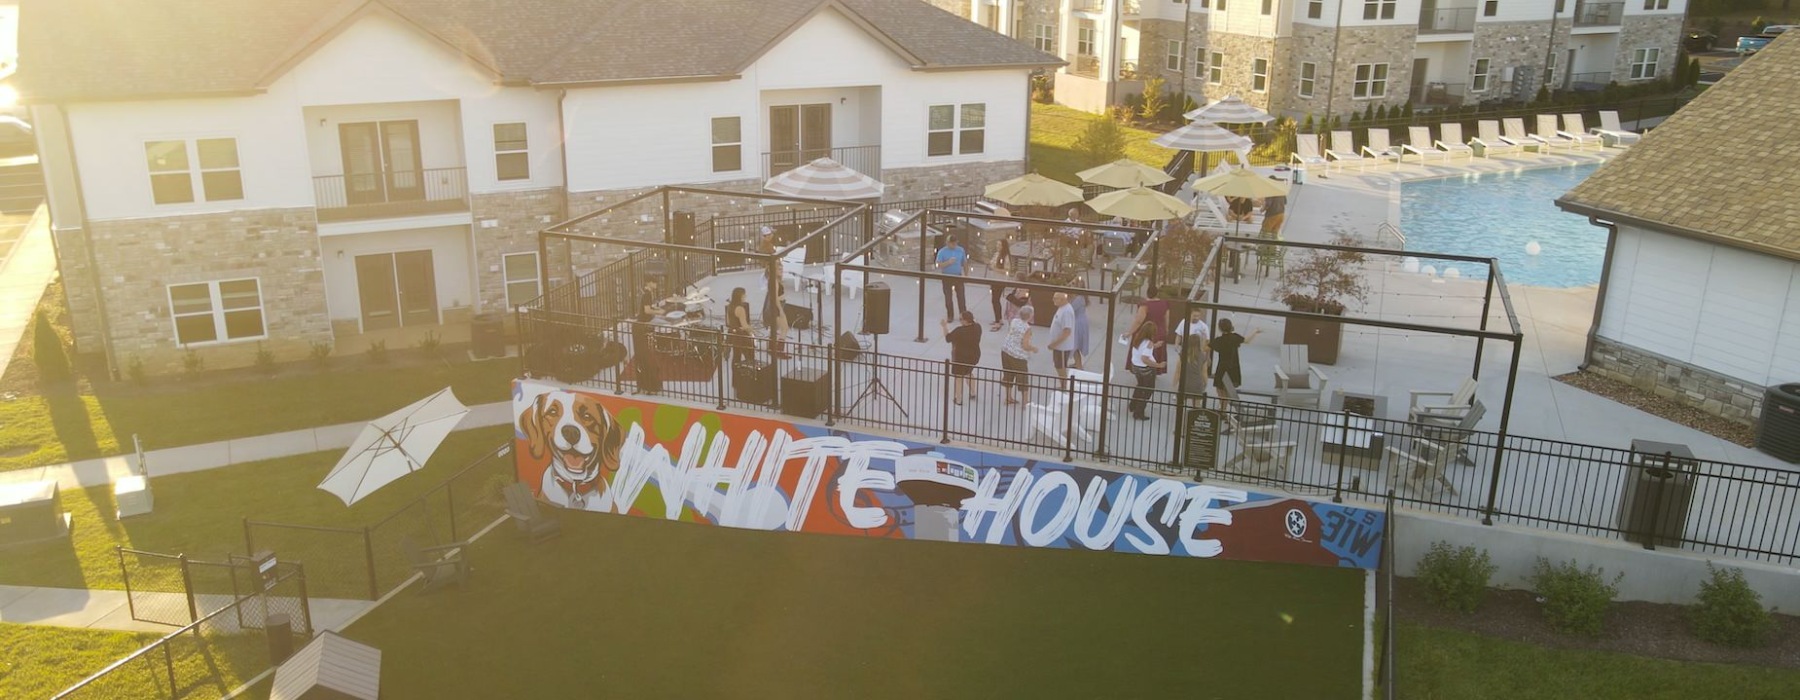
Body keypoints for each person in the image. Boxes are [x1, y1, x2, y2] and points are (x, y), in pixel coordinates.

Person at [1211, 318, 1262, 429]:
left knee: (1220, 390)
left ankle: (1222, 411)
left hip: (1222, 368)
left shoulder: (1219, 340)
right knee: (1228, 391)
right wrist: (1255, 331)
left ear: (1220, 328)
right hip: (1233, 368)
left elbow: (1208, 346)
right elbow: (1247, 340)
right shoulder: (1235, 338)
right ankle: (1224, 411)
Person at [1126, 322, 1167, 420]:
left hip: (1136, 366)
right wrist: (1158, 365)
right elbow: (1145, 358)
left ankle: (1133, 405)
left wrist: (1155, 345)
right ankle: (1138, 413)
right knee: (1148, 390)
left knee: (1140, 385)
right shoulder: (1149, 343)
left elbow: (1142, 349)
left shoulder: (1137, 338)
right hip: (1146, 369)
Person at [941, 310, 983, 406]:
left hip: (960, 358)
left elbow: (948, 338)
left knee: (958, 377)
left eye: (961, 319)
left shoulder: (959, 331)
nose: (959, 321)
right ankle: (973, 393)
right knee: (968, 373)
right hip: (974, 356)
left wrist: (944, 326)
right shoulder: (978, 327)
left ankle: (958, 399)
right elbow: (975, 322)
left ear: (965, 321)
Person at [1000, 305, 1038, 405]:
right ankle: (1025, 402)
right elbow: (1025, 345)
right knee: (1023, 378)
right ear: (1030, 316)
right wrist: (1033, 348)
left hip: (1006, 350)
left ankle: (1008, 397)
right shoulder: (1027, 328)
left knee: (1008, 374)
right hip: (1018, 356)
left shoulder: (1014, 321)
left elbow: (1010, 333)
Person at [1173, 307, 1211, 404]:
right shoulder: (1184, 322)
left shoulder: (1204, 327)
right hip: (1186, 351)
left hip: (1198, 353)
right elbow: (1178, 335)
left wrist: (1206, 354)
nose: (1196, 317)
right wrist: (1176, 345)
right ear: (1190, 315)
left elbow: (1207, 342)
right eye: (1194, 315)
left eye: (1198, 316)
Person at [633, 278, 663, 393]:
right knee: (644, 357)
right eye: (654, 282)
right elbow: (646, 311)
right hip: (639, 328)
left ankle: (647, 385)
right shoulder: (647, 294)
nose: (656, 283)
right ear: (649, 283)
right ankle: (648, 385)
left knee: (645, 357)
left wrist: (656, 309)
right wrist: (658, 312)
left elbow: (648, 308)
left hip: (641, 326)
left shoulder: (648, 294)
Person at [935, 235, 969, 319]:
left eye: (955, 243)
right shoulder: (942, 252)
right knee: (948, 298)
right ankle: (950, 315)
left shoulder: (960, 250)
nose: (954, 245)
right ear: (947, 243)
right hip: (946, 277)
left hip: (958, 276)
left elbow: (964, 262)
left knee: (961, 297)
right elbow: (937, 265)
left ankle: (963, 315)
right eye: (952, 243)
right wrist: (948, 262)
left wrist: (966, 275)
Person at [987, 230, 1014, 331]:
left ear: (1003, 246)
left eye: (999, 245)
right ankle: (998, 318)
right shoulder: (996, 254)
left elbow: (1007, 270)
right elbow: (992, 263)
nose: (997, 246)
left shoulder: (1005, 257)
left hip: (1000, 281)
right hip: (994, 279)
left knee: (995, 300)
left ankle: (998, 320)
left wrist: (994, 269)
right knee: (994, 300)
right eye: (997, 244)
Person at [1047, 292, 1077, 379]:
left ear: (1063, 299)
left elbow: (1067, 332)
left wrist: (1054, 344)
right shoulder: (1061, 308)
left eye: (1055, 298)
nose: (1053, 300)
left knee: (1061, 367)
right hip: (1058, 347)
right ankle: (1063, 385)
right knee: (1058, 366)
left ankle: (1064, 387)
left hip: (1062, 347)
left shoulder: (1066, 311)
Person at [724, 287, 755, 364]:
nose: (745, 297)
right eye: (744, 295)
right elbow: (744, 325)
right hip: (741, 335)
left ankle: (735, 374)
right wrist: (751, 330)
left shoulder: (729, 307)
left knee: (736, 356)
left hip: (732, 334)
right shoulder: (740, 309)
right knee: (750, 355)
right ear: (740, 296)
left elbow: (728, 322)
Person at [762, 282, 791, 360]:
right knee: (784, 328)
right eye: (779, 269)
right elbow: (774, 297)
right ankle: (779, 351)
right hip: (777, 308)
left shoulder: (775, 280)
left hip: (777, 306)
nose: (781, 271)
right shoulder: (774, 282)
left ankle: (771, 348)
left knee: (775, 327)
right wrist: (781, 310)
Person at [1069, 288, 1091, 369]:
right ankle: (1077, 363)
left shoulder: (1079, 298)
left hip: (1078, 323)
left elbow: (1071, 308)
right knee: (1076, 344)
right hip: (1080, 320)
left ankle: (1079, 366)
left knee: (1075, 345)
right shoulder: (1081, 297)